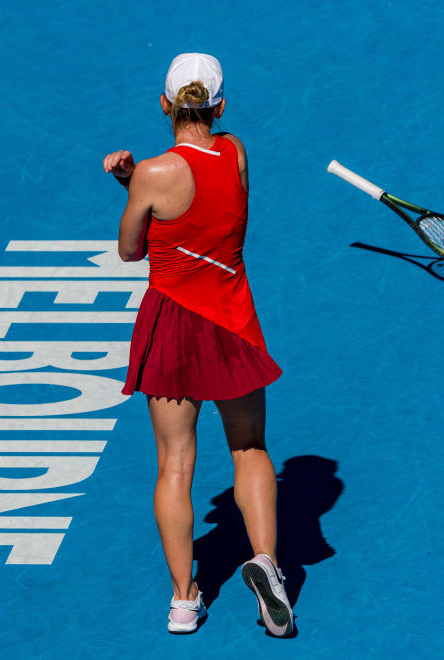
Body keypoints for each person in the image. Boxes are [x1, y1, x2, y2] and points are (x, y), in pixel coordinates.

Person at [102, 53, 294, 637]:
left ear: (165, 105)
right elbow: (209, 206)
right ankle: (267, 565)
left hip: (171, 329)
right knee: (250, 448)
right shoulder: (236, 152)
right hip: (232, 324)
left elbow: (132, 250)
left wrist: (129, 184)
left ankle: (185, 599)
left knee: (175, 465)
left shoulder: (151, 175)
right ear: (220, 106)